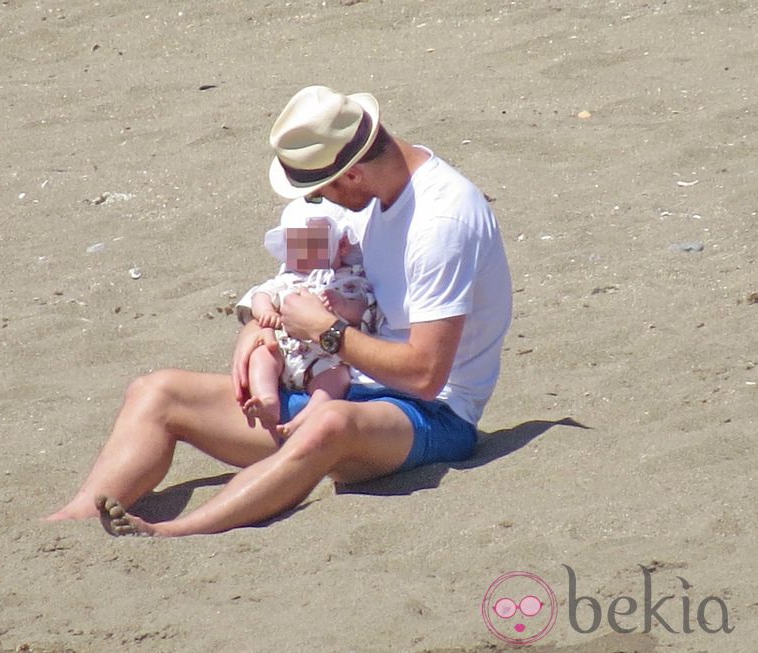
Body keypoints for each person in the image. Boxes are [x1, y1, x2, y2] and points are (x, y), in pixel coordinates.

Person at [47, 85, 512, 537]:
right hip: (343, 387)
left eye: (321, 190)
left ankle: (176, 531)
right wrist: (256, 325)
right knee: (156, 392)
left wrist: (327, 332)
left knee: (330, 422)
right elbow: (305, 272)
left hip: (432, 415)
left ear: (351, 175)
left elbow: (426, 375)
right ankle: (72, 524)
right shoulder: (370, 196)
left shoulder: (441, 222)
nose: (322, 202)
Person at [242, 200, 380, 436]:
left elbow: (366, 308)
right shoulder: (287, 279)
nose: (304, 253)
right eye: (296, 245)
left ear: (343, 244)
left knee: (337, 378)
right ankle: (267, 399)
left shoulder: (350, 279)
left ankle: (308, 417)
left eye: (315, 244)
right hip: (284, 351)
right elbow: (260, 294)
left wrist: (344, 305)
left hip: (327, 357)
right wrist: (265, 311)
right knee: (262, 356)